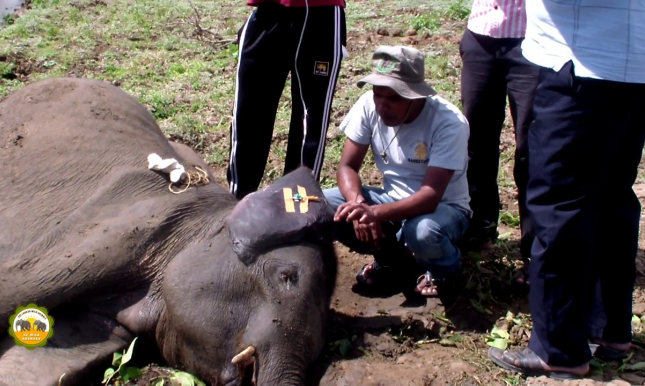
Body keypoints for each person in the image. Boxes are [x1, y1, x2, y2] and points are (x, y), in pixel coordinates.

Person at [488, 0, 645, 379]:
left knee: (559, 204)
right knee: (612, 198)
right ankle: (609, 330)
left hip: (582, 64)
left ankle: (558, 348)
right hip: (635, 61)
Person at [322, 45, 472, 297]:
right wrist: (358, 205)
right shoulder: (369, 105)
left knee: (422, 232)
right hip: (391, 202)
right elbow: (347, 166)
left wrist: (373, 212)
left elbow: (430, 196)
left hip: (442, 210)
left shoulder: (448, 123)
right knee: (326, 204)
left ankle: (444, 270)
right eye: (377, 94)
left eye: (393, 97)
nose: (382, 105)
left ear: (415, 95)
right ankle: (392, 260)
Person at [227, 0, 347, 200]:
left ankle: (297, 206)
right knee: (249, 115)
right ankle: (237, 202)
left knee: (310, 120)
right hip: (267, 11)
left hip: (320, 13)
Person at [459, 0, 539, 275]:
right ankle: (480, 230)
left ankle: (536, 250)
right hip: (481, 33)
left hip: (533, 38)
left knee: (532, 149)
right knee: (475, 142)